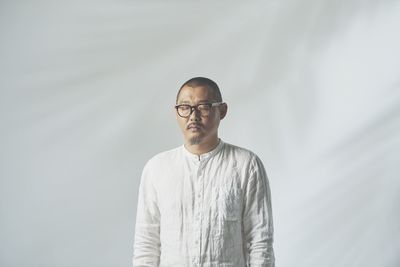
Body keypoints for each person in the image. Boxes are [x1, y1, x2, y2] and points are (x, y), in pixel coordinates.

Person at [133, 77, 275, 266]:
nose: (193, 116)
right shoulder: (157, 168)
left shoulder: (245, 165)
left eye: (203, 106)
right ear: (176, 113)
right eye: (185, 107)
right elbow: (146, 244)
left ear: (222, 111)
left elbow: (260, 241)